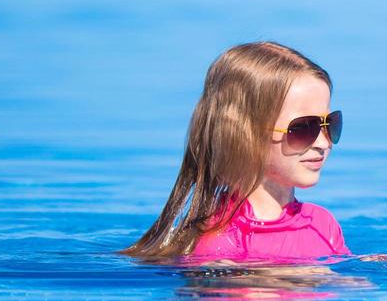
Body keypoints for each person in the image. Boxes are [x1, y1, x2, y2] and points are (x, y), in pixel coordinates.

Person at [121, 40, 355, 263]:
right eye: (304, 128)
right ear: (245, 135)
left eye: (330, 125)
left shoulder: (323, 224)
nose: (324, 143)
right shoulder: (218, 242)